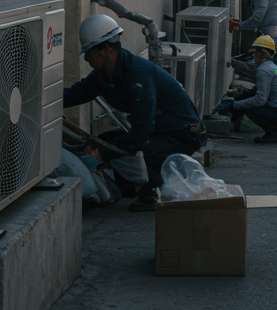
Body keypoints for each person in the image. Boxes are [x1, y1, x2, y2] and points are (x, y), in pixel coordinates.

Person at [62, 14, 205, 211]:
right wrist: (40, 100)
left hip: (182, 134)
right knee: (105, 141)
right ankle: (129, 188)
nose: (86, 58)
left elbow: (141, 133)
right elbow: (74, 95)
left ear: (106, 49)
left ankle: (156, 191)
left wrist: (102, 154)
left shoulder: (138, 74)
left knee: (131, 148)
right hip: (159, 130)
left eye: (89, 52)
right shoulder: (104, 75)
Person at [216, 35, 277, 143]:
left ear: (264, 54)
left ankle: (274, 133)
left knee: (251, 110)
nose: (254, 54)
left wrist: (235, 105)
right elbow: (256, 90)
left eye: (257, 51)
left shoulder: (264, 70)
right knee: (246, 102)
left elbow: (260, 100)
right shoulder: (271, 67)